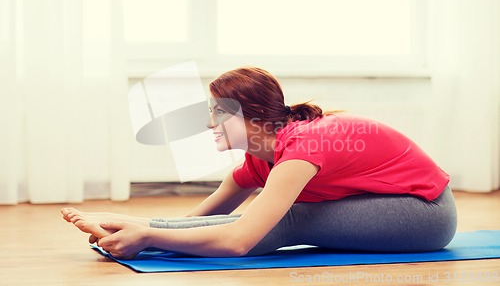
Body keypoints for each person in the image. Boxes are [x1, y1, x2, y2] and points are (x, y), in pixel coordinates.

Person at [61, 66, 457, 259]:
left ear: (249, 117)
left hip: (426, 214)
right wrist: (132, 225)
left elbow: (239, 240)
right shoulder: (259, 158)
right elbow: (198, 221)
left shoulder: (301, 147)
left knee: (291, 217)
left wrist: (147, 238)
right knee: (269, 213)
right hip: (392, 205)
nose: (207, 122)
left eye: (217, 112)